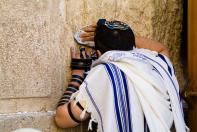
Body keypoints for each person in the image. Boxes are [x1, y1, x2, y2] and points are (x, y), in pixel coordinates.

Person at [55, 19, 188, 132]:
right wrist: (121, 36)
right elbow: (160, 48)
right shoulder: (156, 65)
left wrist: (78, 75)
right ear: (133, 44)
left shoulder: (105, 73)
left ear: (99, 53)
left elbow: (62, 119)